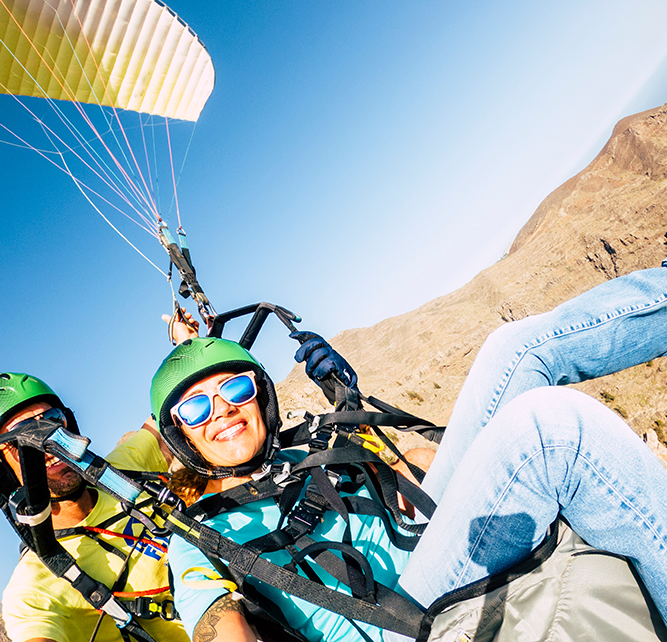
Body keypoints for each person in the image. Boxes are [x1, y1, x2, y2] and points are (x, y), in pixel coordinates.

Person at [150, 262, 667, 642]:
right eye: (194, 409)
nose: (220, 410)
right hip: (399, 626)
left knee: (510, 350)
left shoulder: (308, 454)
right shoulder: (199, 538)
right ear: (180, 437)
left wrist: (348, 402)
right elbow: (218, 628)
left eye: (235, 389)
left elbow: (414, 475)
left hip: (432, 552)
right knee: (552, 431)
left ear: (262, 397)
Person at [0, 371, 190, 642]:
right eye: (23, 439)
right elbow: (36, 631)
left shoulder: (120, 473)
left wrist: (186, 341)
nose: (48, 443)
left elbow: (175, 410)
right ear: (0, 468)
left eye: (53, 421)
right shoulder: (34, 587)